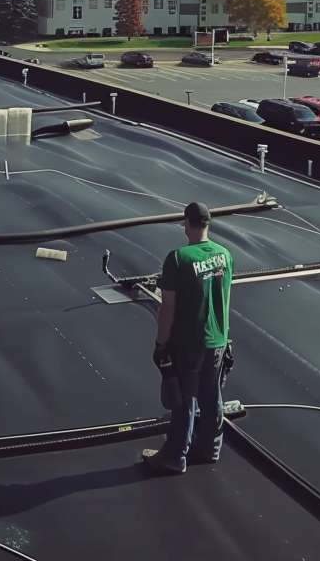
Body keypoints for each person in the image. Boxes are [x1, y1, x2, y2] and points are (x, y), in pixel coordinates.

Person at [141, 201, 234, 475]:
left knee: (183, 399)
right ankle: (209, 448)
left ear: (186, 223)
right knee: (211, 395)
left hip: (189, 341)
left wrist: (161, 343)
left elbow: (167, 306)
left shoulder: (179, 258)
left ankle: (175, 455)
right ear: (208, 224)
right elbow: (226, 298)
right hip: (217, 340)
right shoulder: (225, 255)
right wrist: (224, 335)